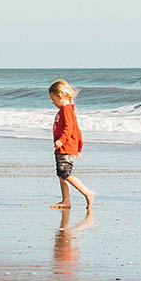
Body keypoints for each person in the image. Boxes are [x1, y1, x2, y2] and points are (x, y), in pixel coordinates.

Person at [49, 79, 94, 209]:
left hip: (66, 147)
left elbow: (69, 128)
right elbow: (77, 130)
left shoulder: (66, 110)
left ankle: (87, 192)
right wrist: (79, 147)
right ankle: (66, 201)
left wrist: (62, 141)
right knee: (61, 175)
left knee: (65, 174)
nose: (53, 102)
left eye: (53, 99)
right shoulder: (67, 110)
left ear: (60, 96)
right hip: (64, 148)